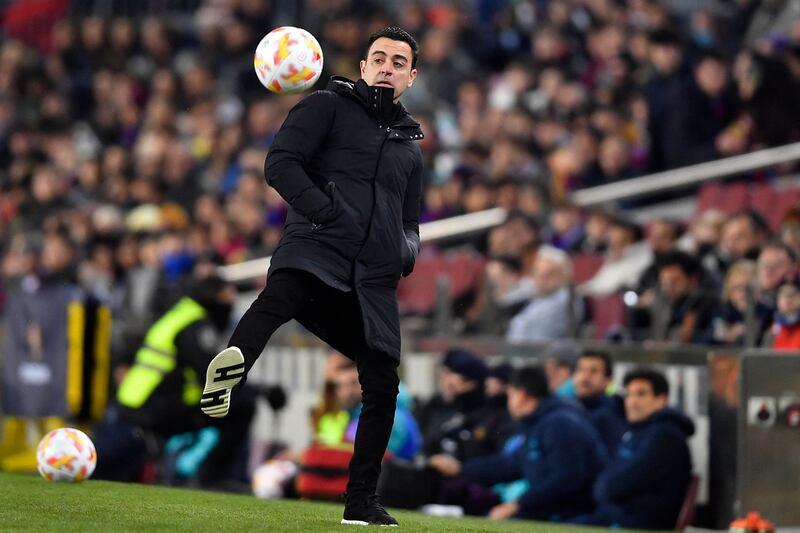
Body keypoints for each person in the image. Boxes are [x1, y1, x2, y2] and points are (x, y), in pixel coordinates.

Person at [199, 27, 424, 526]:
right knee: (286, 291)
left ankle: (360, 503)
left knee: (383, 382)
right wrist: (325, 211)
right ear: (363, 67)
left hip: (372, 280)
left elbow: (411, 222)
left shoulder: (411, 146)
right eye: (378, 57)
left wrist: (404, 254)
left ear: (411, 76)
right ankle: (233, 365)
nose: (386, 66)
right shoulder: (327, 105)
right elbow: (280, 164)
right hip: (318, 246)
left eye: (398, 61)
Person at [94, 275, 255, 485]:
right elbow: (212, 374)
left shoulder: (179, 314)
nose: (229, 307)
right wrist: (260, 391)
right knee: (241, 406)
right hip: (155, 408)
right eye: (227, 301)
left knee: (106, 464)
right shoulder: (195, 324)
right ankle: (217, 480)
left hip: (135, 401)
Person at [428, 366, 607, 521]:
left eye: (510, 395)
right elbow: (510, 465)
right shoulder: (537, 423)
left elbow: (567, 478)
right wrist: (461, 469)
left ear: (521, 394)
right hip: (554, 513)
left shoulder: (559, 423)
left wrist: (518, 505)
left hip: (575, 517)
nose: (509, 403)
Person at [576, 368, 694, 530]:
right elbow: (613, 474)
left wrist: (602, 488)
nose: (632, 402)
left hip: (638, 524)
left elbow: (625, 481)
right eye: (629, 395)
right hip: (616, 516)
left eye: (641, 394)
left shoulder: (665, 435)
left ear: (661, 399)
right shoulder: (637, 430)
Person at [573, 351, 626, 456]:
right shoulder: (573, 409)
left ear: (608, 380)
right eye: (581, 370)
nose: (585, 376)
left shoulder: (608, 415)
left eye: (594, 371)